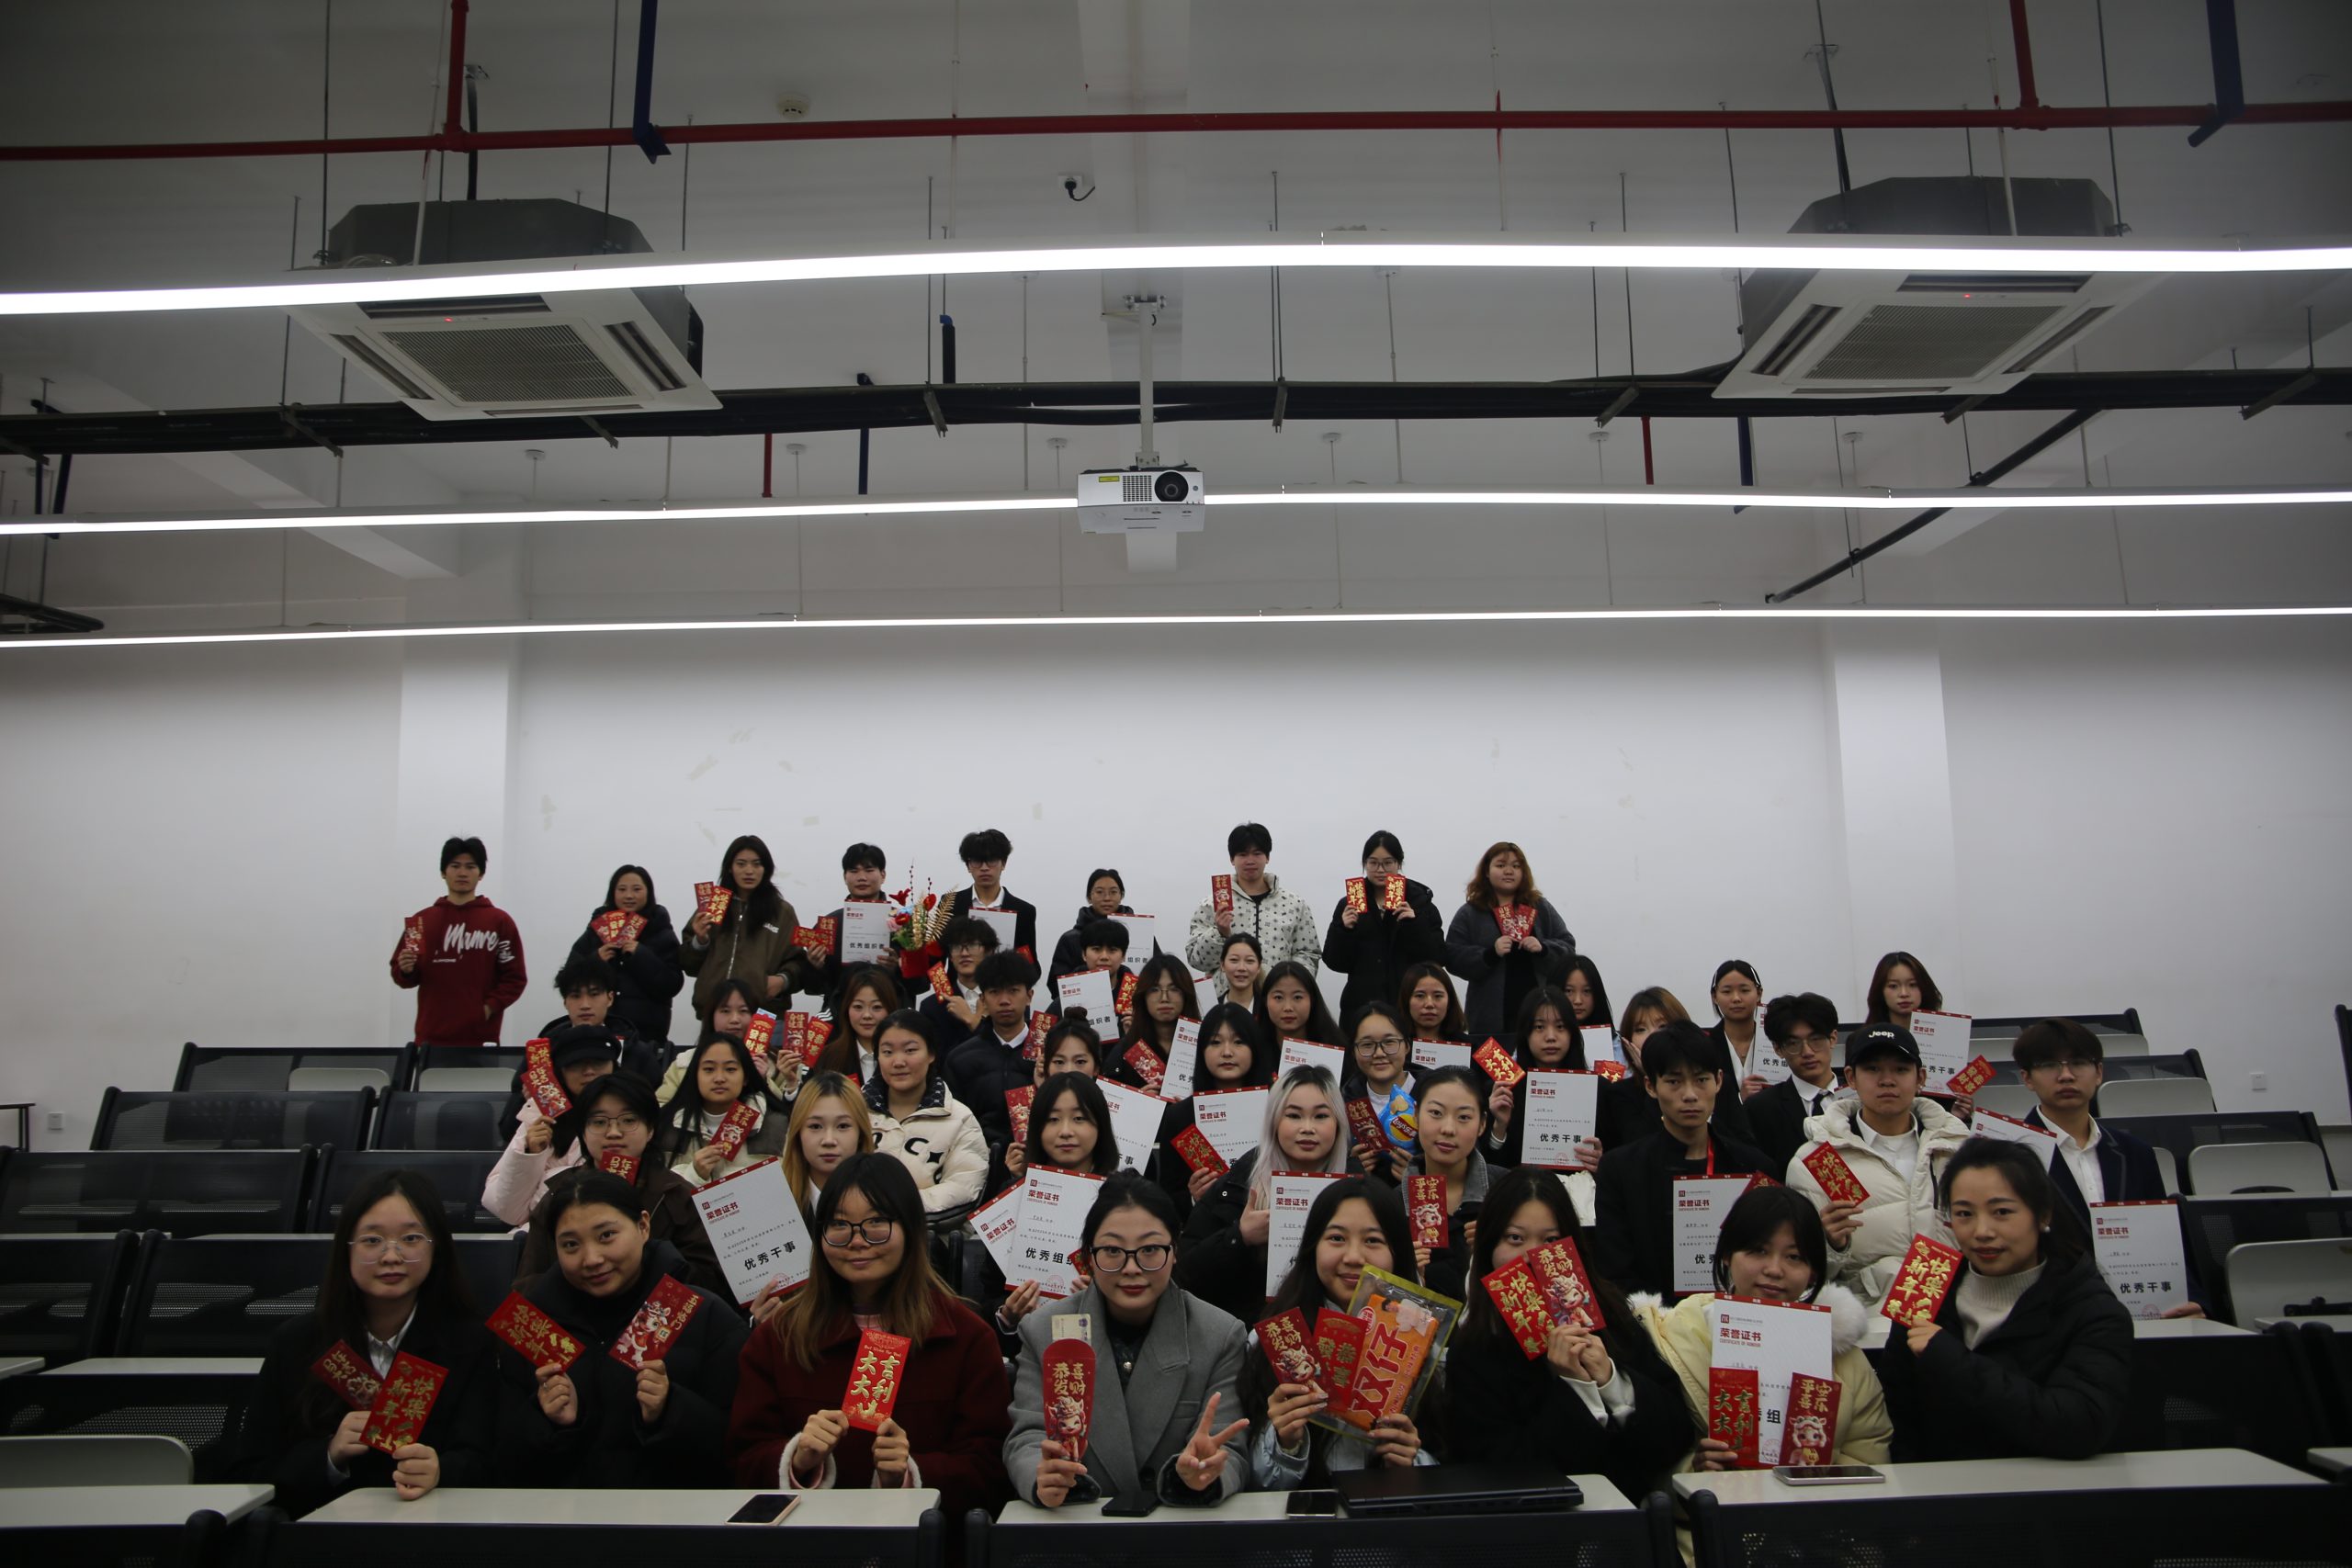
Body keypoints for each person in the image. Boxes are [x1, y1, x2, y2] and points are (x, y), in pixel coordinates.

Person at [727, 1153, 1012, 1516]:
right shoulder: (778, 1338)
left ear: (911, 1229)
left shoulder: (966, 1337)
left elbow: (990, 1470)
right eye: (839, 1224)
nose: (857, 1240)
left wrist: (909, 1475)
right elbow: (741, 1457)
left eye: (877, 1222)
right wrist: (797, 1460)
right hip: (808, 1538)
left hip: (923, 1542)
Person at [228, 1168, 495, 1514]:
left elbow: (489, 1460)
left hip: (432, 1529)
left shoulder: (470, 1342)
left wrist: (442, 1471)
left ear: (437, 1248)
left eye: (411, 1238)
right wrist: (329, 1456)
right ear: (347, 1249)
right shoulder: (296, 1343)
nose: (391, 1256)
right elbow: (250, 1472)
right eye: (372, 1240)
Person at [1442, 1167, 1695, 1503]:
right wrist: (1575, 1388)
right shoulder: (1473, 1349)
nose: (1533, 1256)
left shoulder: (1613, 1316)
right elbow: (1498, 1469)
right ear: (1488, 1246)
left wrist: (1611, 1381)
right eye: (1515, 1238)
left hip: (1629, 1519)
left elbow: (1674, 1436)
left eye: (1551, 1241)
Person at [1878, 1139, 2133, 1460]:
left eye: (2002, 1212)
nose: (1982, 1231)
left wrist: (1953, 1359)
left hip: (2050, 1486)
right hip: (1937, 1484)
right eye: (1964, 1214)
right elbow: (1896, 1414)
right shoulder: (1925, 1281)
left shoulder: (2092, 1308)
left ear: (2043, 1215)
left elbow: (2078, 1427)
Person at [1006, 1174, 1250, 1508]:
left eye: (1150, 1250)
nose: (1132, 1268)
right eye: (1112, 1250)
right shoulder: (1044, 1330)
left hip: (1177, 1522)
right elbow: (1027, 1437)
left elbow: (1229, 1446)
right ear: (1089, 1256)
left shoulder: (1219, 1335)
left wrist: (1201, 1475)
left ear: (1174, 1251)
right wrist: (1043, 1476)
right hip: (1077, 1521)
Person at [495, 1171, 749, 1486]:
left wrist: (670, 1409)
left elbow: (740, 1449)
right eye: (571, 1244)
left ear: (643, 1226)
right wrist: (546, 1421)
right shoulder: (531, 1325)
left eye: (606, 1236)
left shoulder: (704, 1315)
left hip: (673, 1511)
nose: (592, 1259)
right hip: (560, 1512)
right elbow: (501, 1460)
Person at [1628, 1185, 1892, 1472]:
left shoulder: (1842, 1351)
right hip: (1714, 1501)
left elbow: (1869, 1454)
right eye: (1758, 1251)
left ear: (1813, 1271)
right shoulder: (1672, 1339)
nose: (1774, 1269)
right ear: (1727, 1255)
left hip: (1815, 1501)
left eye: (1794, 1257)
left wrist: (1821, 1478)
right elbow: (1645, 1461)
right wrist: (1694, 1472)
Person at [1244, 1177, 1434, 1486]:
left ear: (1397, 1252)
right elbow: (1245, 1474)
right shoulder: (1273, 1342)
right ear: (1312, 1247)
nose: (1353, 1257)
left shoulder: (1427, 1346)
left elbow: (1455, 1467)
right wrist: (1285, 1441)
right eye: (1336, 1238)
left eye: (1373, 1240)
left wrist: (1412, 1464)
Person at [2012, 1019, 2206, 1314]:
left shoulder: (2135, 1153)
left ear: (2099, 1073)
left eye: (2079, 1063)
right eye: (2049, 1065)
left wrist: (2195, 1301)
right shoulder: (2009, 1154)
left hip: (2141, 1311)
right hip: (2048, 1314)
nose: (2066, 1075)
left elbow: (2163, 1243)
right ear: (2027, 1078)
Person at [1785, 1023, 1970, 1308]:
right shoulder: (1817, 1160)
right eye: (1872, 1069)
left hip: (1958, 1309)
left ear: (1920, 1077)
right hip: (1868, 1316)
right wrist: (1831, 1244)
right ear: (1851, 1077)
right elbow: (1800, 1272)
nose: (1887, 1081)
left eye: (1901, 1070)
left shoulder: (1958, 1150)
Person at [1591, 1022, 1770, 1299]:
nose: (1689, 1095)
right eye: (1674, 1082)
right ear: (1651, 1086)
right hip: (1654, 1318)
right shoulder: (1620, 1170)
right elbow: (1615, 1271)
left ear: (1718, 1081)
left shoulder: (1753, 1168)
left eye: (1701, 1080)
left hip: (1737, 1314)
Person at [511, 1074, 728, 1297]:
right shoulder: (559, 1193)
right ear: (583, 1133)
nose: (613, 1132)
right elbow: (529, 1283)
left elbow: (709, 1282)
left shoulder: (678, 1195)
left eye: (628, 1120)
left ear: (650, 1130)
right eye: (599, 1122)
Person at [1176, 1065, 1352, 1325]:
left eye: (1321, 1116)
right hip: (1249, 1332)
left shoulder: (1357, 1188)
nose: (1307, 1128)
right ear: (1274, 1122)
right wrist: (1239, 1237)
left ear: (1338, 1123)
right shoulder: (1237, 1184)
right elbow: (1185, 1276)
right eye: (1293, 1115)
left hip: (1335, 1330)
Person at [390, 835, 527, 1049]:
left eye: (470, 867)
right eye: (455, 866)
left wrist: (488, 1008)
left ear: (481, 873)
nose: (462, 873)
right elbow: (403, 977)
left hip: (481, 1038)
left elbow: (515, 978)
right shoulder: (421, 922)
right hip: (430, 1039)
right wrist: (406, 970)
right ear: (443, 872)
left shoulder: (499, 922)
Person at [1596, 986, 1760, 1152]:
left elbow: (1745, 1149)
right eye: (1640, 1030)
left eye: (1662, 1026)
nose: (1652, 1036)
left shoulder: (1718, 1084)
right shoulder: (1619, 1093)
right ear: (1627, 1040)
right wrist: (1655, 1078)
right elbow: (1640, 1150)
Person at [483, 1024, 619, 1224]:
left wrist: (551, 1180)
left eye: (598, 1062)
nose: (589, 1071)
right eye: (576, 1064)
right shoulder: (540, 1117)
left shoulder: (633, 1114)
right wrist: (530, 1155)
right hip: (544, 1230)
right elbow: (508, 1211)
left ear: (614, 1065)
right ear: (560, 1072)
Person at [1442, 840, 1574, 1040]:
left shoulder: (1540, 907)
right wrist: (1489, 953)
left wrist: (1544, 948)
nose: (1509, 871)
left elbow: (1568, 946)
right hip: (1490, 1018)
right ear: (1487, 871)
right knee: (1494, 1061)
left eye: (1516, 866)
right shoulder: (1471, 912)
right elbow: (1452, 956)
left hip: (1540, 1015)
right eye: (1501, 865)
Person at [865, 1010, 989, 1221]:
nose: (898, 1061)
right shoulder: (854, 1112)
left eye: (910, 1050)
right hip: (857, 1231)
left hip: (929, 1234)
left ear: (931, 1054)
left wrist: (892, 1208)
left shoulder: (959, 1118)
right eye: (887, 1052)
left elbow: (963, 1187)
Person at [682, 835, 818, 1020]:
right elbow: (688, 966)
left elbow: (797, 961)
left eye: (757, 864)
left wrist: (782, 980)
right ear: (730, 868)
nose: (749, 871)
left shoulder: (781, 912)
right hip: (716, 1014)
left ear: (766, 869)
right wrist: (700, 942)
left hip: (763, 1016)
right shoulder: (713, 905)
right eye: (741, 864)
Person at [1152, 1002, 1272, 1213]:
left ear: (1255, 1048)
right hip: (1206, 1227)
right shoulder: (1181, 1117)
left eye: (1238, 1042)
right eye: (1215, 1042)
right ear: (1202, 1051)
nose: (1227, 1052)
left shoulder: (1277, 1109)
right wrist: (1193, 1197)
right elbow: (1167, 1197)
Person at [1481, 985, 1604, 1181]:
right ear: (1525, 1034)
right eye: (1539, 1027)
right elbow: (1489, 1170)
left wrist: (1602, 1162)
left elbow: (1618, 1161)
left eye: (1560, 1027)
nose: (1550, 1037)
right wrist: (1499, 1126)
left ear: (1572, 1033)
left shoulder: (1598, 1089)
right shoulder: (1503, 1090)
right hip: (1520, 1192)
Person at [1321, 830, 1446, 1016]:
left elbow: (1438, 958)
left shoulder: (1419, 901)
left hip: (1408, 1007)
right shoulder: (1350, 903)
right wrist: (1344, 931)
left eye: (1388, 863)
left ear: (1399, 864)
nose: (1380, 870)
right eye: (1373, 863)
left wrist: (1415, 924)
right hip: (1361, 1008)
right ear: (1364, 863)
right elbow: (1334, 962)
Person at [944, 950, 1044, 1179]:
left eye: (1013, 991)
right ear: (983, 1000)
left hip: (1037, 1162)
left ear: (1029, 995)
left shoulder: (1050, 1054)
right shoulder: (960, 1058)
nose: (1004, 1000)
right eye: (995, 992)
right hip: (975, 1165)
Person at [562, 864, 685, 1047]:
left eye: (637, 889)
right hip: (598, 1030)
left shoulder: (660, 930)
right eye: (622, 889)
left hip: (647, 1033)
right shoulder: (597, 928)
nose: (629, 895)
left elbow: (672, 984)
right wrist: (595, 960)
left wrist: (641, 955)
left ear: (649, 893)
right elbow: (566, 980)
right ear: (612, 893)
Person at [1185, 822, 1322, 976]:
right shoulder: (1212, 905)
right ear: (1232, 859)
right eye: (1242, 854)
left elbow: (1308, 954)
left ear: (1267, 857)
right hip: (1230, 992)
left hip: (1278, 991)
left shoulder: (1294, 904)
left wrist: (1290, 983)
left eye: (1257, 853)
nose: (1250, 860)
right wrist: (1220, 933)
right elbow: (1196, 960)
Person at [654, 1032, 790, 1186]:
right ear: (695, 1075)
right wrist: (694, 1175)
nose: (719, 1078)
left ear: (745, 1077)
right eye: (709, 1069)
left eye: (730, 1069)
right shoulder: (665, 1126)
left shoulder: (777, 1126)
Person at [1408, 1066, 1493, 1301]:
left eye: (1464, 1117)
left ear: (1482, 1124)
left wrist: (1500, 1251)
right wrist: (1406, 1275)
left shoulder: (1508, 1192)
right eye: (1436, 1113)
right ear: (1416, 1114)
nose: (1448, 1129)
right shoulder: (1391, 1204)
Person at [1747, 993, 1848, 1172]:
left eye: (1816, 1040)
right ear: (1778, 1049)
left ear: (1833, 1038)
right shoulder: (1761, 1108)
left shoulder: (1859, 1096)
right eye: (1794, 1043)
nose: (1807, 1052)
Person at [1339, 1000, 1423, 1185]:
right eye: (1367, 1044)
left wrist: (1421, 1174)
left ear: (1407, 1045)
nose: (1379, 1053)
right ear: (1354, 1052)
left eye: (1389, 1042)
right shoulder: (1341, 1102)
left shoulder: (1433, 1095)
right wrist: (1349, 1168)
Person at [535, 957, 658, 1082]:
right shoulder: (543, 1051)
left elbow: (655, 1092)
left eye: (594, 994)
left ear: (610, 998)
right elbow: (526, 1088)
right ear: (565, 1002)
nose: (585, 1005)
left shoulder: (637, 1052)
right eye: (575, 996)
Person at [807, 842, 894, 1005]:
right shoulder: (828, 925)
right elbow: (813, 988)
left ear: (883, 875)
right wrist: (815, 966)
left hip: (892, 1013)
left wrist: (899, 968)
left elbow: (921, 984)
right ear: (845, 877)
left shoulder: (905, 924)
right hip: (841, 1012)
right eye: (854, 871)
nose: (862, 877)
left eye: (869, 870)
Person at [1005, 1069, 1121, 1182]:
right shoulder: (1013, 1191)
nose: (1065, 1132)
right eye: (1053, 1119)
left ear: (1101, 1124)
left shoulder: (1122, 1192)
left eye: (1079, 1118)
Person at [782, 1072, 875, 1213]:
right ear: (798, 1132)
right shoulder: (773, 1202)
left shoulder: (883, 1200)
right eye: (815, 1126)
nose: (829, 1140)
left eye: (843, 1126)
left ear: (861, 1133)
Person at [1107, 955, 1200, 1090]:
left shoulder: (1205, 1046)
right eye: (1155, 990)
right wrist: (1140, 1099)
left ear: (1186, 994)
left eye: (1174, 989)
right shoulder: (1125, 1051)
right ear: (1143, 996)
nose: (1164, 998)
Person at [947, 828, 1040, 958]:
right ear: (968, 865)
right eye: (977, 861)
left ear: (1004, 863)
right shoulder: (950, 904)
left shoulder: (1024, 911)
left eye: (991, 860)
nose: (984, 868)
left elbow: (1030, 964)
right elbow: (936, 960)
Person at [918, 916, 998, 1053]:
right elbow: (934, 1057)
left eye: (972, 945)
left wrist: (971, 1021)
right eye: (957, 947)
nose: (964, 953)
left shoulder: (1004, 1000)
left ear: (989, 951)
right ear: (950, 956)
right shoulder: (931, 1007)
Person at [1046, 869, 1134, 993]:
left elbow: (1156, 971)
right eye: (1099, 892)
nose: (1107, 898)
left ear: (1121, 896)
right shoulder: (1071, 939)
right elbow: (1056, 985)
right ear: (1089, 897)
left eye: (1113, 892)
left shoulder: (1142, 935)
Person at [813, 966, 900, 1087]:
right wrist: (792, 1086)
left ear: (890, 1009)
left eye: (877, 1007)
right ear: (847, 1009)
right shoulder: (829, 1057)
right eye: (858, 1007)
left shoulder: (903, 1057)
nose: (867, 1015)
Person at [1705, 960, 1770, 1100]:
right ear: (1715, 996)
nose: (1736, 998)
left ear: (1759, 993)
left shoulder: (1774, 1042)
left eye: (1744, 990)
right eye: (1727, 991)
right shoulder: (1703, 1045)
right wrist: (1740, 1099)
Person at [1255, 959, 1342, 1047]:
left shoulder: (1334, 1048)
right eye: (1278, 997)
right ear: (1265, 1001)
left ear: (1312, 1000)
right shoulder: (1252, 1048)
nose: (1288, 1008)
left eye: (1297, 997)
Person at [1865, 950, 1943, 1032]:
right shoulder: (1865, 1037)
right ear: (1880, 991)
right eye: (1893, 986)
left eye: (1912, 985)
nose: (1904, 993)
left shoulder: (1943, 1033)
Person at [1398, 962, 1468, 1043]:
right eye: (1420, 996)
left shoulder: (1472, 1047)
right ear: (1406, 1000)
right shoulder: (1393, 1046)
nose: (1429, 1004)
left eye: (1438, 996)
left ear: (1449, 1001)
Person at [1219, 932, 1264, 1014]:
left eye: (1249, 961)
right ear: (1222, 965)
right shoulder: (1209, 1009)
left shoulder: (1269, 1010)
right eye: (1234, 960)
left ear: (1259, 967)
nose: (1241, 968)